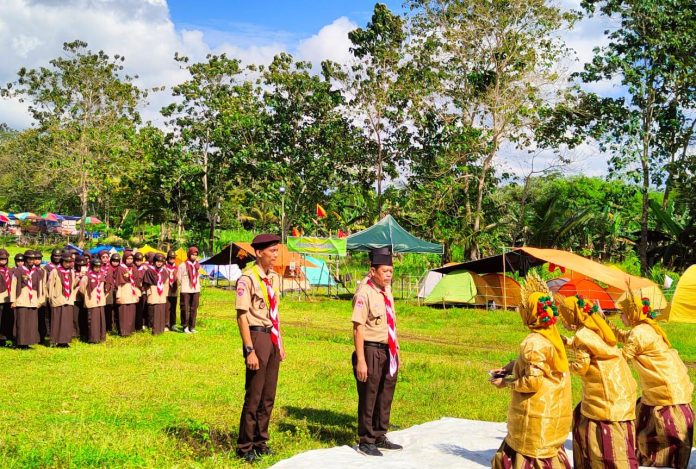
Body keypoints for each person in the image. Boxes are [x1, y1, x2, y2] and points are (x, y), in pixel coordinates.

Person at [490, 272, 572, 469]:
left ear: (532, 313)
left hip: (536, 415)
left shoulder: (533, 342)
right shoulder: (552, 336)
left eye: (524, 308)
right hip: (554, 409)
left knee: (528, 453)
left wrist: (506, 382)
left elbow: (532, 382)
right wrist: (511, 366)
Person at [612, 295, 694, 469]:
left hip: (666, 390)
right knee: (642, 422)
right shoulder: (644, 328)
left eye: (623, 313)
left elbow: (622, 358)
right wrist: (603, 324)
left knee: (656, 431)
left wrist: (597, 355)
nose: (620, 316)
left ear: (633, 314)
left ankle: (659, 463)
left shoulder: (639, 332)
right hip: (663, 388)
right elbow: (622, 337)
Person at [556, 294, 638, 469]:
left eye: (565, 315)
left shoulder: (582, 334)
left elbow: (581, 366)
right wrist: (568, 342)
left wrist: (559, 365)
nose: (563, 320)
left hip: (606, 391)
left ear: (573, 314)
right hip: (620, 384)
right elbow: (594, 346)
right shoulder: (595, 326)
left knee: (593, 427)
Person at [235, 234, 286, 462]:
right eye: (272, 251)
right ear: (259, 253)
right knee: (254, 395)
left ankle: (260, 440)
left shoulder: (273, 277)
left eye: (277, 251)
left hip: (271, 337)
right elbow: (242, 316)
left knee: (268, 394)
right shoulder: (247, 279)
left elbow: (275, 313)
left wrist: (280, 343)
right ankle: (245, 446)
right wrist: (249, 350)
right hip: (256, 336)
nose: (275, 255)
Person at [351, 247, 403, 457]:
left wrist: (396, 347)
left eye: (391, 271)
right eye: (385, 271)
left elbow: (391, 321)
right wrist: (361, 360)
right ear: (373, 272)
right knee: (369, 394)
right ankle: (366, 439)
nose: (389, 275)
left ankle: (380, 433)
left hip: (388, 349)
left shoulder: (387, 290)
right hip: (371, 349)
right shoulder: (364, 293)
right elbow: (358, 327)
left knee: (385, 392)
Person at [9, 250, 41, 348]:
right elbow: (13, 285)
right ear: (25, 259)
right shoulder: (19, 270)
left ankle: (29, 342)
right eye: (29, 258)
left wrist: (40, 300)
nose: (31, 261)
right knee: (22, 322)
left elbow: (40, 286)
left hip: (33, 299)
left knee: (32, 322)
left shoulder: (37, 271)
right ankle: (21, 343)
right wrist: (13, 300)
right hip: (22, 299)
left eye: (33, 259)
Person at [47, 253, 77, 347]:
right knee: (57, 320)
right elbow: (50, 285)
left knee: (67, 321)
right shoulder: (55, 271)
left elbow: (72, 285)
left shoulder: (71, 272)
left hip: (68, 299)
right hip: (58, 299)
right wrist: (51, 298)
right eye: (66, 262)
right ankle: (56, 340)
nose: (68, 264)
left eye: (70, 262)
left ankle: (65, 341)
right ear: (62, 261)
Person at [79, 258, 107, 343]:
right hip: (91, 301)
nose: (97, 268)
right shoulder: (87, 276)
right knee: (93, 321)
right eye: (95, 266)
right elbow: (81, 289)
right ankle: (93, 338)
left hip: (100, 301)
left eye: (99, 266)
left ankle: (101, 337)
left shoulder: (102, 275)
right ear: (92, 266)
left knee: (101, 320)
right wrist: (87, 296)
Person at [142, 253, 169, 335]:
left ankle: (161, 329)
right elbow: (145, 283)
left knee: (161, 310)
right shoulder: (149, 271)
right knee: (153, 311)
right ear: (154, 262)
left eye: (161, 261)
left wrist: (165, 293)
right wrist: (148, 292)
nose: (159, 263)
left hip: (162, 293)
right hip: (153, 291)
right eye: (157, 261)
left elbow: (166, 282)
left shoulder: (164, 271)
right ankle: (154, 329)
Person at [115, 251, 139, 337]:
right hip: (124, 290)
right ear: (124, 259)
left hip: (132, 290)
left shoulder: (134, 267)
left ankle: (131, 330)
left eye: (131, 258)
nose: (130, 260)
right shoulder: (120, 268)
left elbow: (137, 280)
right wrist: (118, 295)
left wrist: (137, 293)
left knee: (132, 310)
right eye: (128, 258)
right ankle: (124, 331)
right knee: (124, 311)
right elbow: (118, 283)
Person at [40, 248, 62, 342]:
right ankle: (48, 333)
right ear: (51, 256)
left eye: (59, 256)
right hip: (49, 294)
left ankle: (58, 333)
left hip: (60, 295)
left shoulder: (63, 267)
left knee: (58, 315)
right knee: (48, 315)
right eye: (55, 256)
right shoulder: (46, 268)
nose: (57, 257)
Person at [178, 246, 201, 334]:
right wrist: (184, 284)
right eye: (193, 254)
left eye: (196, 255)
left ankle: (192, 326)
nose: (194, 256)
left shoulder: (197, 265)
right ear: (189, 254)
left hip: (195, 289)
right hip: (186, 289)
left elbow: (198, 277)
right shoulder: (183, 265)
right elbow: (179, 278)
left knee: (194, 308)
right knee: (185, 308)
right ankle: (185, 326)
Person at [164, 250, 178, 331]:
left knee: (173, 308)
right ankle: (166, 324)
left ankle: (173, 324)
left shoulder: (177, 267)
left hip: (174, 290)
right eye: (170, 258)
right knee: (166, 308)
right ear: (168, 258)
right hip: (166, 291)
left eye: (173, 258)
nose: (172, 259)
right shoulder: (164, 267)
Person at [0, 249, 11, 346]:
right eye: (1, 258)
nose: (3, 260)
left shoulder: (9, 270)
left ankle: (4, 336)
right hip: (0, 297)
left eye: (5, 258)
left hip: (8, 297)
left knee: (6, 318)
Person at [134, 251, 148, 330]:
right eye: (137, 260)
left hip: (143, 290)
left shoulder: (145, 268)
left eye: (140, 260)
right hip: (134, 290)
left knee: (143, 307)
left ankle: (142, 323)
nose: (138, 262)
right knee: (135, 308)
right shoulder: (132, 267)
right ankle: (135, 324)